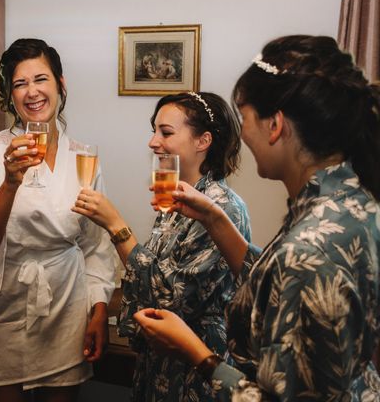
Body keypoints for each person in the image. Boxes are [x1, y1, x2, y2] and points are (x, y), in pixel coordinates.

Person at [134, 35, 380, 400]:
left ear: (275, 125)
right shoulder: (349, 201)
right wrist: (214, 219)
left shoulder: (310, 249)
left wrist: (198, 355)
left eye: (245, 117)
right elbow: (278, 284)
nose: (241, 133)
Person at [0, 38, 116, 402]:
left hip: (66, 303)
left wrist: (99, 309)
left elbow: (95, 243)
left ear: (61, 84)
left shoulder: (83, 156)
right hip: (7, 302)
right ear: (10, 95)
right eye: (19, 83)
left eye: (40, 79)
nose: (32, 92)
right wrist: (10, 183)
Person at [72, 92, 252, 401]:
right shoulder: (176, 201)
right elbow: (152, 275)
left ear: (203, 140)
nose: (153, 142)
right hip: (159, 364)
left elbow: (171, 297)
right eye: (154, 130)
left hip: (195, 368)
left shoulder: (222, 209)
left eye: (165, 132)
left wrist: (116, 225)